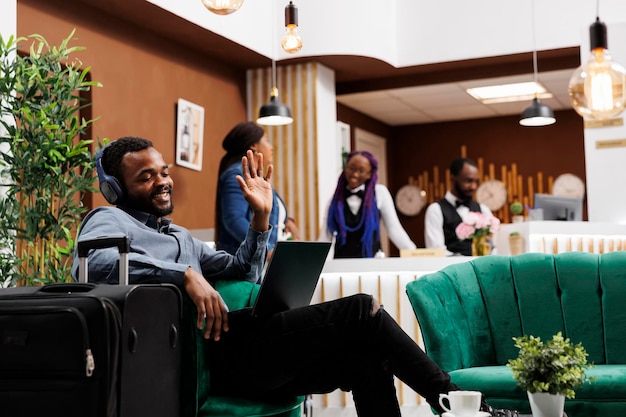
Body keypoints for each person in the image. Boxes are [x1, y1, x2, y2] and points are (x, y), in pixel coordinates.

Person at [70, 136, 513, 417]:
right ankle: (458, 404)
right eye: (146, 177)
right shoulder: (107, 220)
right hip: (213, 359)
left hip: (246, 346)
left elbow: (243, 269)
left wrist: (261, 220)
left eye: (163, 171)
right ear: (115, 188)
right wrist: (183, 274)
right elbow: (98, 265)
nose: (162, 181)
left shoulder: (182, 236)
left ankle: (456, 405)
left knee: (363, 358)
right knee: (362, 309)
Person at [216, 122, 300, 257]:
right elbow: (233, 220)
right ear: (254, 145)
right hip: (244, 265)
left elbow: (267, 211)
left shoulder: (256, 177)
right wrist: (266, 249)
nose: (271, 147)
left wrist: (287, 220)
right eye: (267, 141)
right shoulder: (237, 175)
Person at [319, 150, 416, 258]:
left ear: (369, 174)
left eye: (361, 171)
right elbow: (325, 236)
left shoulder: (380, 193)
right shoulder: (334, 201)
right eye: (351, 168)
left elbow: (394, 229)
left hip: (372, 261)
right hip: (342, 262)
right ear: (345, 168)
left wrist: (414, 253)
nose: (355, 174)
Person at [424, 157, 494, 256]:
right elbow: (436, 251)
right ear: (452, 179)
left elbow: (494, 245)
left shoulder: (483, 209)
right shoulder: (435, 210)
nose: (473, 186)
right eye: (468, 181)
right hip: (451, 269)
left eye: (476, 181)